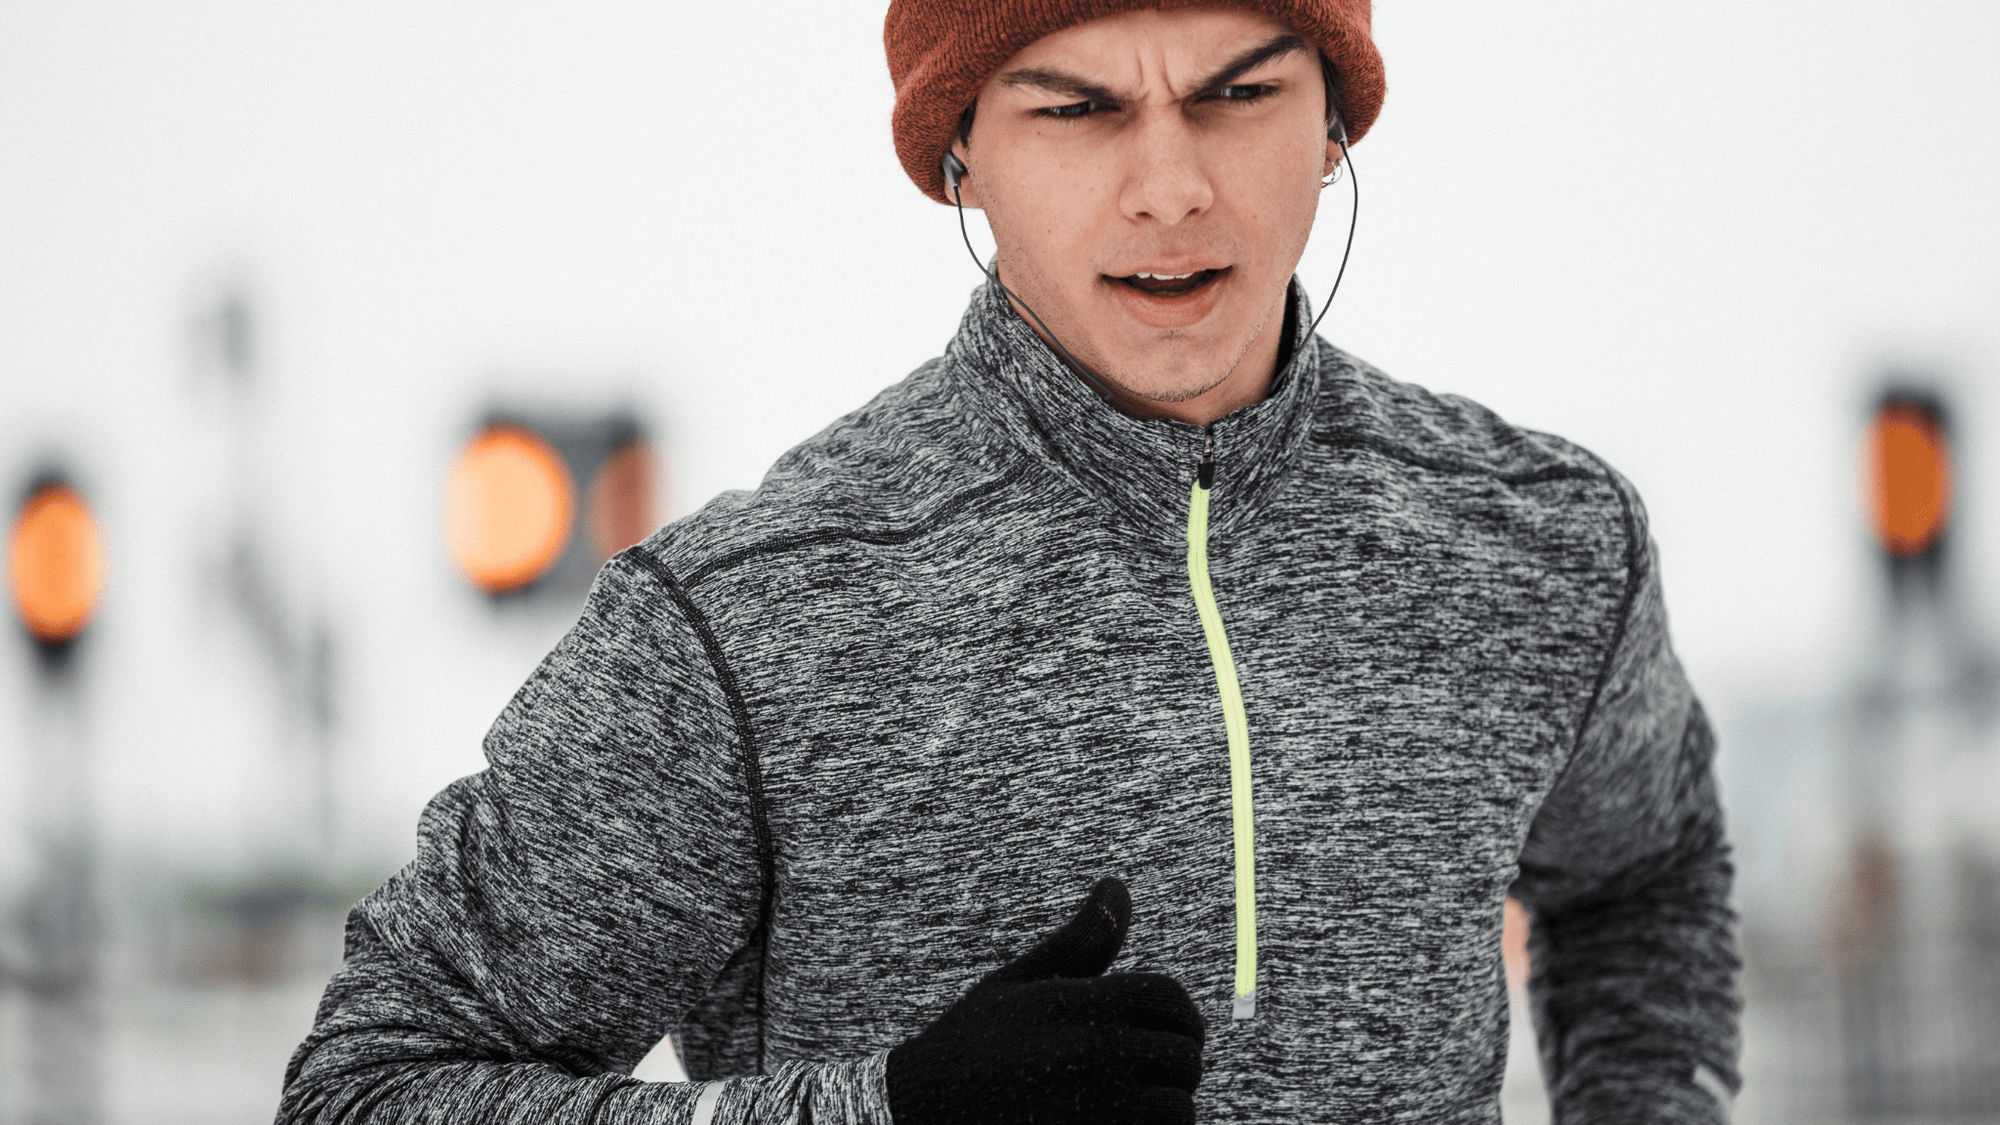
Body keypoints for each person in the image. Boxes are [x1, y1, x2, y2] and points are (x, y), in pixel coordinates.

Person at [276, 1, 1742, 1122]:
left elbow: (1643, 871)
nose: (1170, 185)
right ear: (962, 150)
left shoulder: (1543, 544)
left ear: (1337, 120)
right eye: (1078, 108)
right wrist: (887, 1109)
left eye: (1238, 93)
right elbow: (369, 1088)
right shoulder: (752, 625)